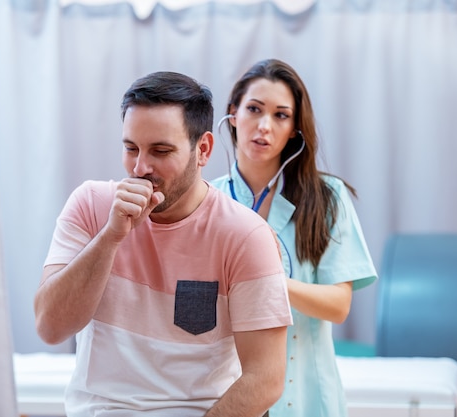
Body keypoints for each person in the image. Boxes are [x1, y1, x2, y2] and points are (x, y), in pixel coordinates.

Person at [34, 71, 293, 417]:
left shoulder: (246, 236)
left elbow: (265, 379)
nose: (140, 167)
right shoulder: (90, 205)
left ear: (202, 149)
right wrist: (110, 237)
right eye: (131, 148)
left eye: (160, 151)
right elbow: (50, 327)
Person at [210, 59, 378, 417]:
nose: (264, 126)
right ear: (233, 114)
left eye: (281, 115)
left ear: (294, 131)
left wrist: (270, 283)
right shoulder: (208, 202)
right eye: (254, 109)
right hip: (227, 393)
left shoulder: (327, 197)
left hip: (305, 398)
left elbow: (338, 305)